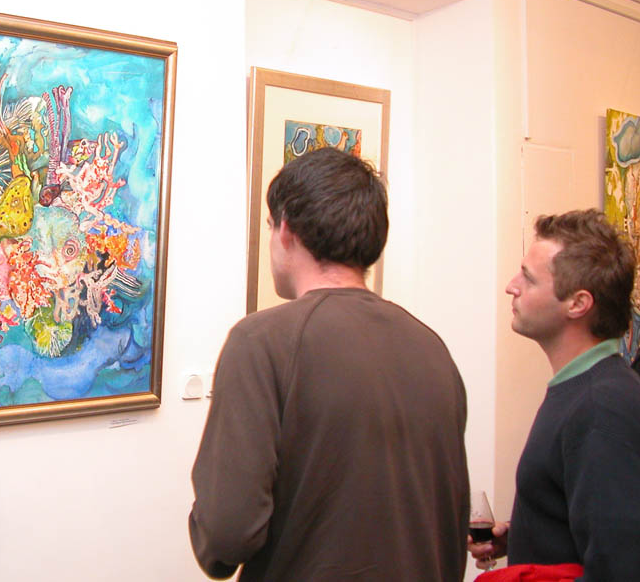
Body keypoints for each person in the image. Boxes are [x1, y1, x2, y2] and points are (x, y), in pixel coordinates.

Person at [188, 146, 469, 581]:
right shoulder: (431, 347)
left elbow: (226, 536)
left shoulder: (260, 342)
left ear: (286, 229)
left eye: (269, 225)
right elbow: (448, 520)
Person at [469, 209, 640, 580]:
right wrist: (528, 534)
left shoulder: (604, 407)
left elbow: (618, 571)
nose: (511, 286)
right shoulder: (586, 391)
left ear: (577, 304)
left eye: (528, 278)